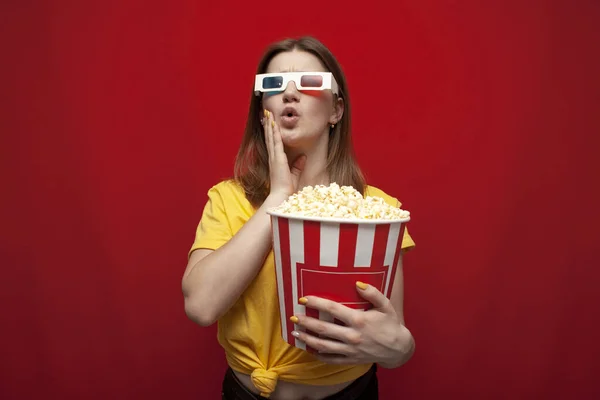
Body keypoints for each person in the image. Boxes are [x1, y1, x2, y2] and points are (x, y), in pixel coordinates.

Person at [182, 36, 416, 400]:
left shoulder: (376, 209)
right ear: (264, 109)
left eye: (310, 83)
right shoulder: (228, 199)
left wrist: (400, 349)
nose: (290, 94)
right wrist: (278, 198)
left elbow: (392, 333)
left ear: (336, 110)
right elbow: (200, 305)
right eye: (273, 85)